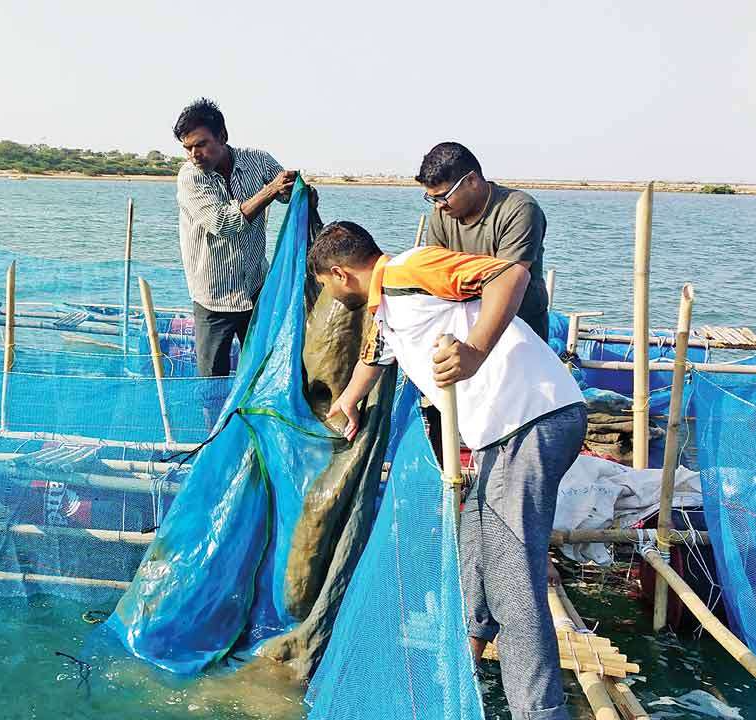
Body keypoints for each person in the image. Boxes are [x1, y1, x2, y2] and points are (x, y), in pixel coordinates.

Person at [309, 220, 586, 720]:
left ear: (339, 273)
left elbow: (511, 276)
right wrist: (348, 402)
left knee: (511, 579)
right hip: (501, 436)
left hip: (530, 420)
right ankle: (466, 662)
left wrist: (475, 350)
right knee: (476, 547)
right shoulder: (388, 307)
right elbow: (378, 355)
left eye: (325, 287)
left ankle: (539, 712)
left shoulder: (411, 268)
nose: (329, 296)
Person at [173, 98, 296, 378]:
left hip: (255, 287)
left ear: (223, 137)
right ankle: (213, 424)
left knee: (262, 370)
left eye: (201, 144)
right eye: (187, 148)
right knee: (211, 381)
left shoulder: (259, 160)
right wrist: (270, 192)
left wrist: (292, 189)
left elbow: (286, 191)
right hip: (214, 297)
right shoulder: (190, 178)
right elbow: (223, 222)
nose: (194, 154)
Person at [417, 142, 552, 341]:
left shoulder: (520, 210)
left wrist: (474, 351)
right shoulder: (442, 214)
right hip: (461, 327)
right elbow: (434, 275)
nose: (438, 206)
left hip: (518, 331)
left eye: (443, 197)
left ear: (471, 180)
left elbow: (506, 284)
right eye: (432, 199)